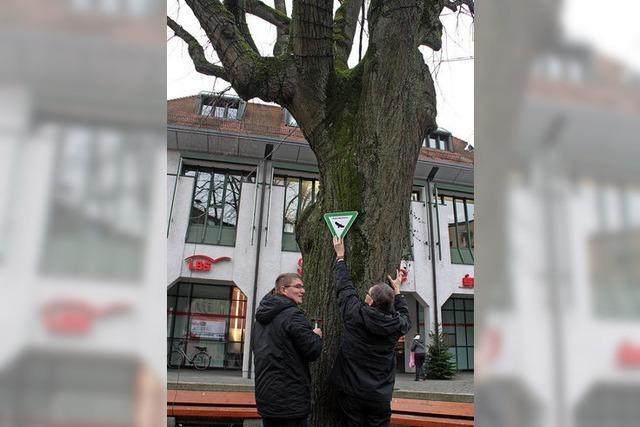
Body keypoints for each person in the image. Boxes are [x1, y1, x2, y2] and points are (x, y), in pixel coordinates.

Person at [330, 236, 411, 427]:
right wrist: (397, 292)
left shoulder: (354, 314)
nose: (364, 296)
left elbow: (345, 288)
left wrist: (340, 257)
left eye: (367, 294)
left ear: (371, 302)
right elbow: (406, 317)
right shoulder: (396, 325)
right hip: (380, 396)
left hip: (352, 392)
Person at [252, 272, 323, 427]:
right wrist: (316, 336)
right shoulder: (293, 315)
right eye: (298, 286)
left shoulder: (260, 320)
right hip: (290, 400)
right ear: (284, 290)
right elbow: (312, 350)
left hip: (266, 399)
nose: (303, 290)